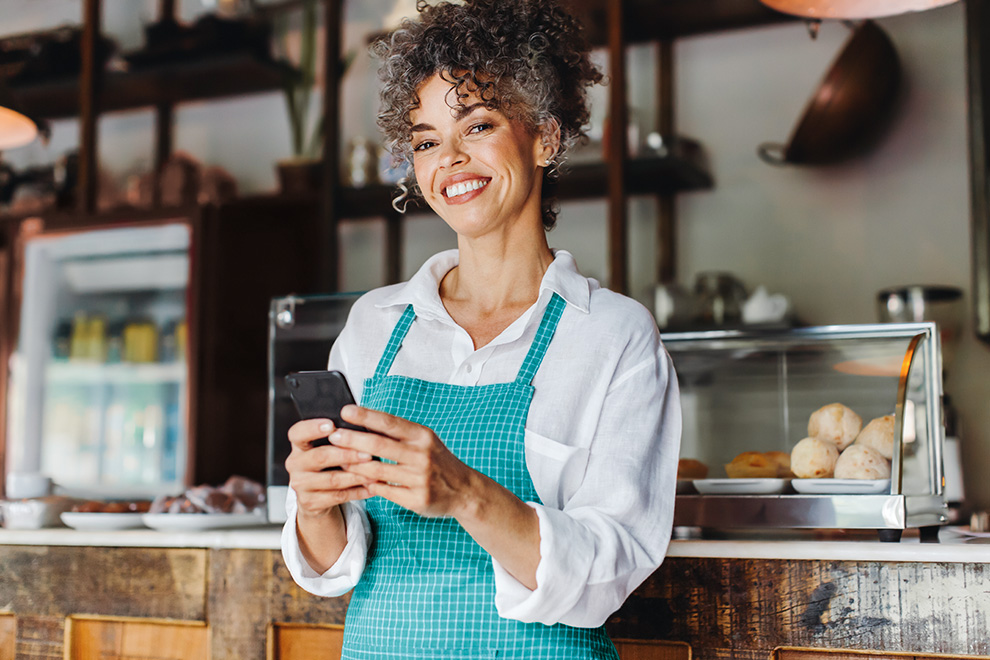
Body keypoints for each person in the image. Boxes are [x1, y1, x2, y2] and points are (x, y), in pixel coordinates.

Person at [280, 1, 681, 658]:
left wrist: (464, 492)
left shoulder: (612, 337)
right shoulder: (374, 327)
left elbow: (610, 570)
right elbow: (335, 569)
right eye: (428, 140)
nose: (451, 160)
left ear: (545, 138)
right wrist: (317, 504)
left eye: (479, 125)